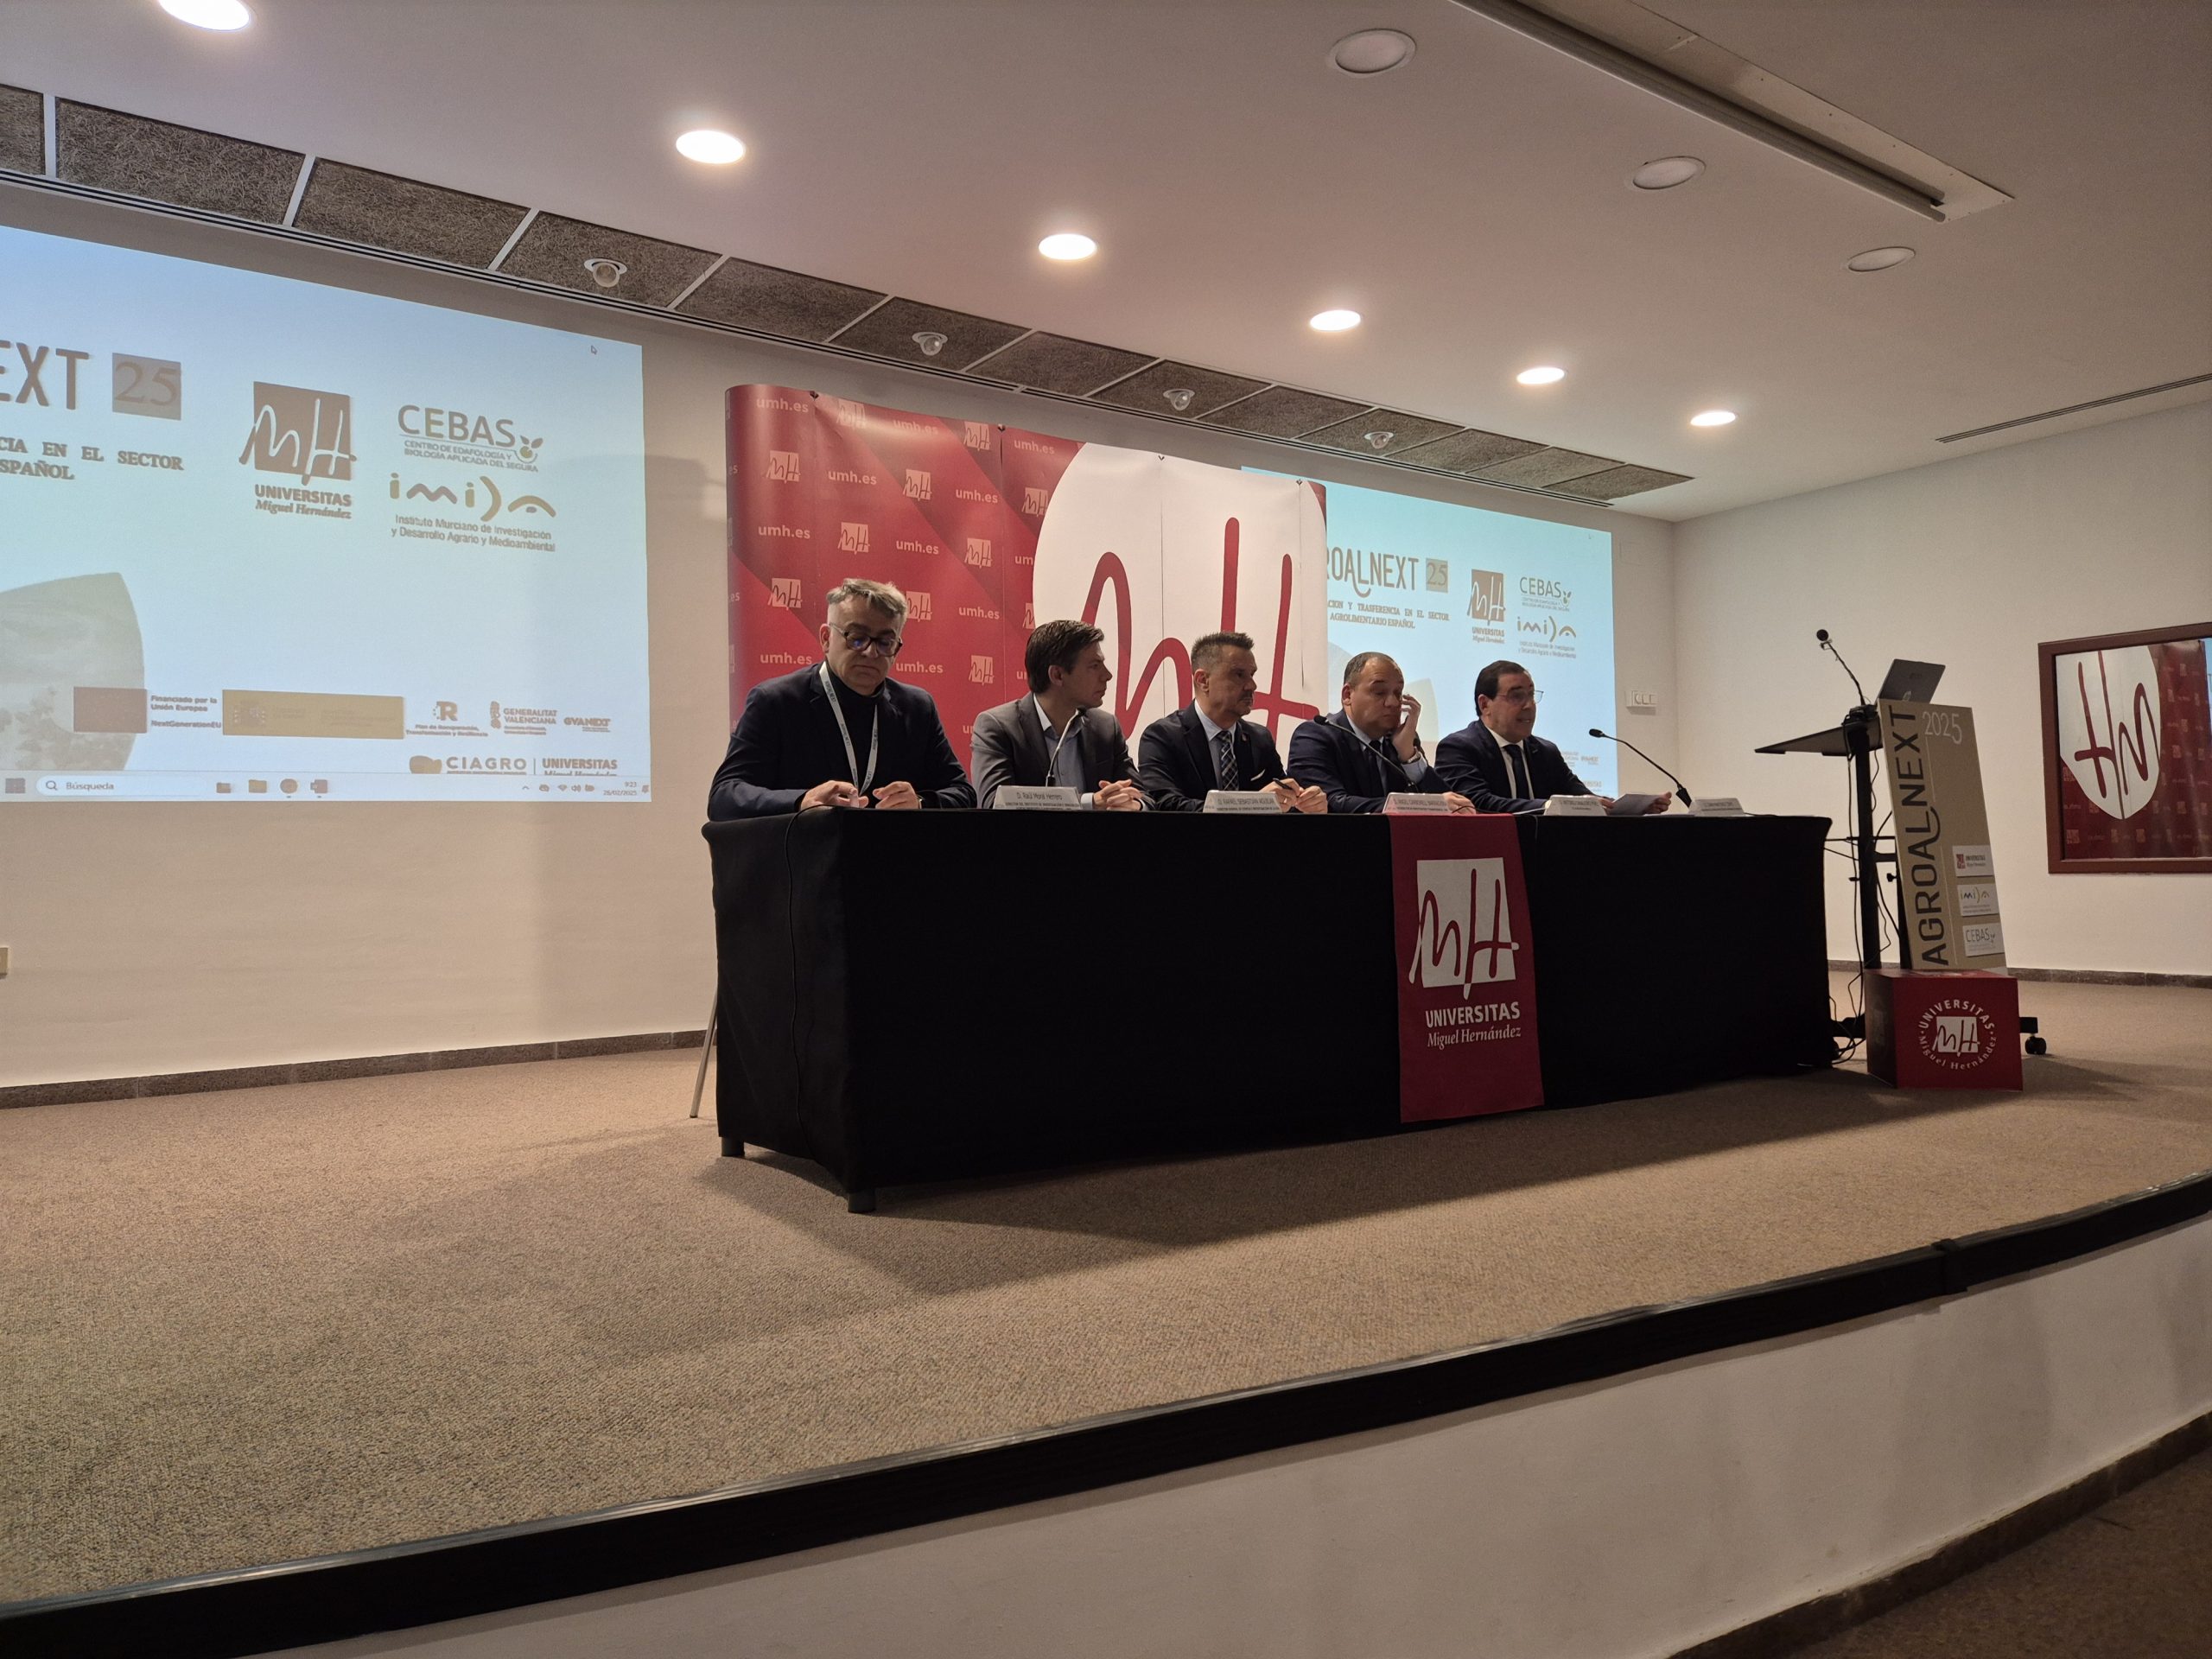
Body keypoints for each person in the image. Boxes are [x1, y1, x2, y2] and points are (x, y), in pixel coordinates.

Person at [707, 576, 975, 819]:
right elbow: (725, 796)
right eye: (857, 638)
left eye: (885, 643)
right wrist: (801, 801)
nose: (870, 652)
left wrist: (920, 803)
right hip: (807, 853)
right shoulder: (776, 701)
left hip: (892, 855)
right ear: (826, 638)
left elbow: (963, 793)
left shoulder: (917, 708)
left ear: (897, 649)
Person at [1436, 659, 1667, 812]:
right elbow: (1476, 803)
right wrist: (1550, 806)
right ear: (1485, 704)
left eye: (1531, 695)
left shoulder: (1545, 751)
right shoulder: (1458, 747)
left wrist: (1628, 808)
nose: (1529, 705)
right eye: (1517, 696)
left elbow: (1582, 798)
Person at [1138, 631, 1325, 813]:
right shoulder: (1162, 737)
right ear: (1203, 680)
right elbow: (1164, 805)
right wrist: (1254, 804)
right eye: (1239, 675)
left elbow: (1282, 803)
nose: (1252, 685)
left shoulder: (1259, 738)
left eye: (1252, 675)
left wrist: (1305, 805)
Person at [969, 620, 1147, 810]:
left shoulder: (1105, 727)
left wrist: (1134, 804)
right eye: (1095, 666)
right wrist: (1089, 803)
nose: (1107, 675)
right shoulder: (998, 727)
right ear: (1057, 675)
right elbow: (994, 804)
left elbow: (1145, 798)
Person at [1287, 651, 1475, 815]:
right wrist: (1422, 805)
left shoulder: (1402, 740)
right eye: (1379, 692)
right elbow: (1332, 803)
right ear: (1347, 695)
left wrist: (1409, 757)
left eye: (1398, 692)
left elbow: (1453, 809)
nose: (1393, 702)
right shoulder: (1314, 736)